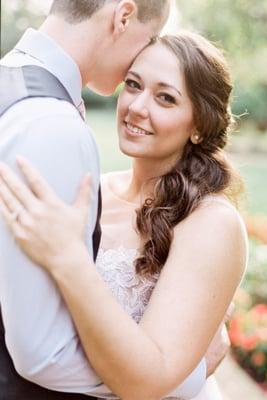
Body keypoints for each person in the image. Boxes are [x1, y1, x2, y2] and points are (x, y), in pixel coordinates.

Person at [0, 32, 248, 399]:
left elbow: (147, 380)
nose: (136, 106)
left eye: (165, 98)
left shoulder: (211, 222)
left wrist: (68, 257)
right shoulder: (92, 187)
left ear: (199, 124)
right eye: (133, 85)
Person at [0, 0, 172, 398]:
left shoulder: (11, 81)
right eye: (147, 41)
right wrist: (174, 376)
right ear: (123, 16)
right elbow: (44, 354)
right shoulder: (53, 125)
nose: (139, 60)